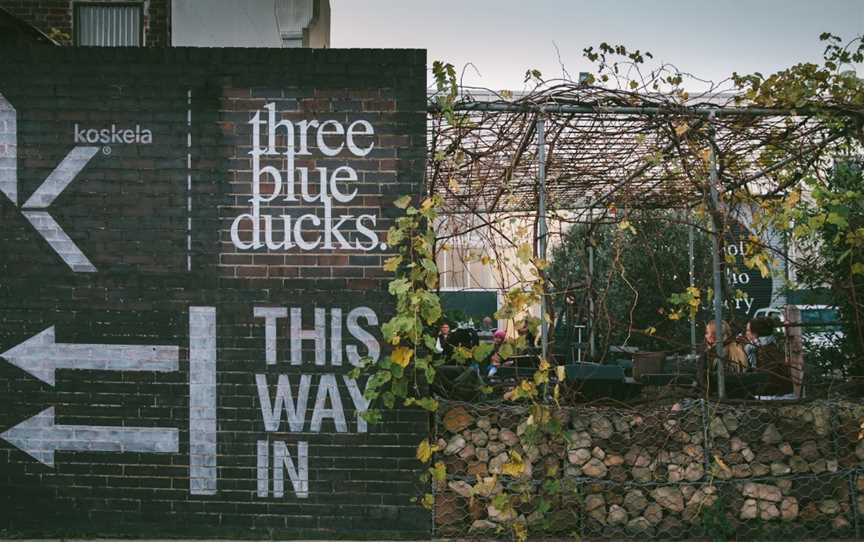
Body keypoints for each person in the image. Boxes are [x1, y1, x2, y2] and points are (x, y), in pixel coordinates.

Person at [746, 316, 794, 397]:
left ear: (755, 334)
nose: (746, 333)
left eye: (748, 330)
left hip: (770, 396)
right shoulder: (771, 347)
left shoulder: (762, 352)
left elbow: (766, 381)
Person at [698, 320, 748, 394]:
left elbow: (704, 385)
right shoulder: (740, 350)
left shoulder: (710, 356)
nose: (705, 336)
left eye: (707, 333)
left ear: (714, 336)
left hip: (717, 400)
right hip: (741, 396)